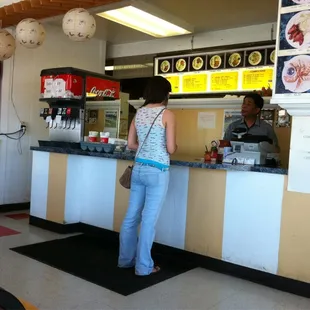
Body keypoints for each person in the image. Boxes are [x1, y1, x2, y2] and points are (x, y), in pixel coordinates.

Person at [118, 76, 177, 276]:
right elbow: (170, 148)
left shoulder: (139, 113)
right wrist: (173, 147)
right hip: (157, 171)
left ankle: (125, 260)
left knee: (131, 217)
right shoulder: (167, 114)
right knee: (148, 220)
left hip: (139, 169)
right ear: (165, 94)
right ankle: (143, 267)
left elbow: (131, 144)